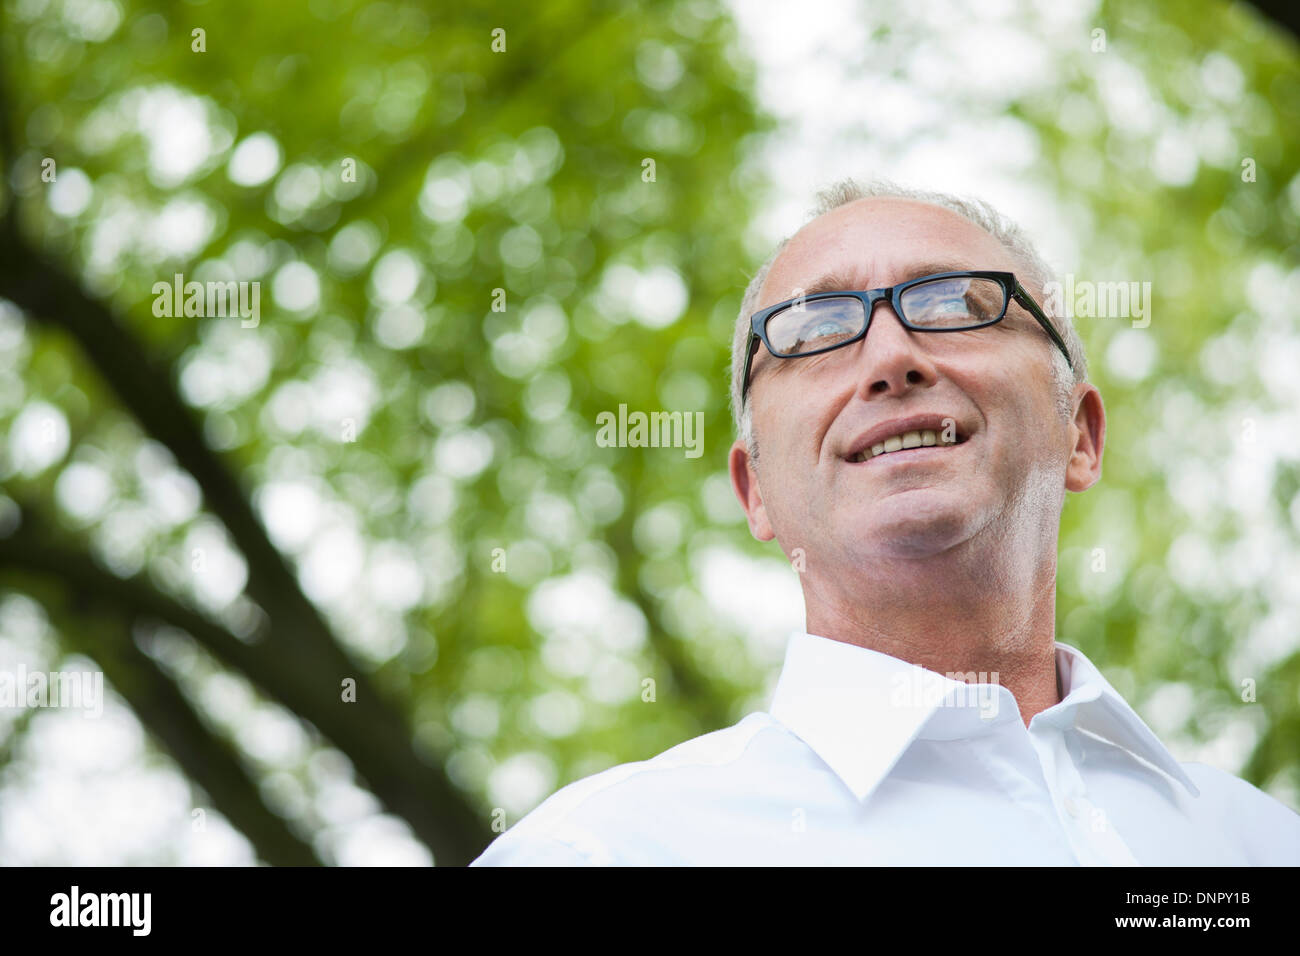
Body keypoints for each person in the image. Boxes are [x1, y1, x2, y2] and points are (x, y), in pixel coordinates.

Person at [470, 179, 1300, 865]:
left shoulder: (1258, 841)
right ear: (753, 488)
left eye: (953, 304)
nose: (890, 356)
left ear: (1078, 436)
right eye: (814, 329)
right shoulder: (600, 851)